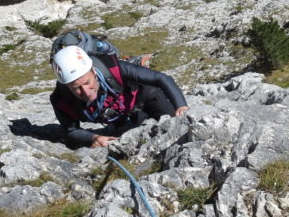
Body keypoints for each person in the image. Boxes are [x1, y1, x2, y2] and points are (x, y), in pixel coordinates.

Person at [50, 45, 188, 148]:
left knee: (178, 130)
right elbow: (70, 130)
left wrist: (180, 105)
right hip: (119, 115)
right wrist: (94, 137)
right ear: (67, 86)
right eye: (76, 88)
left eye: (87, 82)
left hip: (146, 97)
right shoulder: (61, 99)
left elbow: (161, 78)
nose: (86, 92)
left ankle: (136, 62)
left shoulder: (114, 68)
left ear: (93, 71)